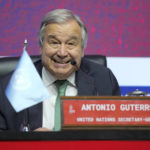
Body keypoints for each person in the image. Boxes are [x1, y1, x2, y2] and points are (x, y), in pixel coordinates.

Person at [0, 9, 120, 131]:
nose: (62, 53)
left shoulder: (103, 81)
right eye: (54, 43)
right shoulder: (9, 87)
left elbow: (118, 137)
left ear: (82, 50)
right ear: (41, 47)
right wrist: (29, 144)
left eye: (71, 44)